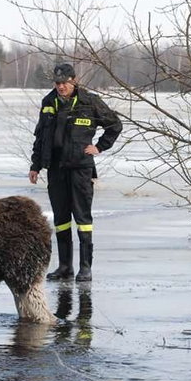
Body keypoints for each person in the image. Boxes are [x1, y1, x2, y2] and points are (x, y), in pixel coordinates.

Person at [29, 63, 122, 282]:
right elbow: (41, 136)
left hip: (81, 168)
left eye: (65, 83)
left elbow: (114, 125)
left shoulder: (90, 102)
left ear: (74, 81)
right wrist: (35, 165)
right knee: (60, 219)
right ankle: (64, 267)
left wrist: (99, 147)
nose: (61, 87)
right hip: (56, 168)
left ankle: (85, 268)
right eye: (58, 83)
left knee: (83, 218)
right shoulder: (48, 102)